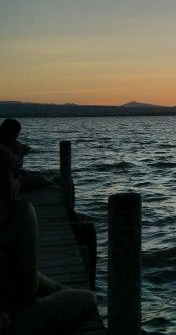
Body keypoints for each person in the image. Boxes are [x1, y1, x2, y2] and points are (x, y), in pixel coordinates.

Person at [0, 146, 97, 333]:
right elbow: (26, 295)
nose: (18, 182)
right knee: (87, 300)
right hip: (9, 321)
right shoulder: (17, 213)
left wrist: (59, 289)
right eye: (15, 177)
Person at [0, 119, 46, 192]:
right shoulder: (7, 149)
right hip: (6, 184)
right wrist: (22, 153)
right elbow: (17, 165)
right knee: (40, 179)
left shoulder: (13, 144)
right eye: (16, 133)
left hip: (9, 178)